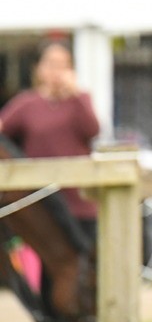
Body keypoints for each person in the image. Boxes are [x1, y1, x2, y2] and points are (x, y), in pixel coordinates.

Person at [0, 40, 101, 299]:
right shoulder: (27, 104)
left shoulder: (81, 100)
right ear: (39, 69)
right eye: (51, 64)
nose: (56, 71)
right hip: (44, 206)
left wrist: (76, 95)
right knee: (51, 275)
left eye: (63, 65)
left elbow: (93, 131)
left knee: (87, 270)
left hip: (80, 203)